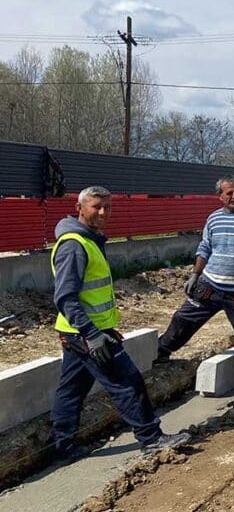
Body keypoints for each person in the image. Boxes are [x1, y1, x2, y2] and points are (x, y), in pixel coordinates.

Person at [50, 186, 191, 463]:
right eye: (96, 207)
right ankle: (151, 439)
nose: (103, 212)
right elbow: (65, 297)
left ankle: (62, 448)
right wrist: (93, 334)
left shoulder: (89, 240)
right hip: (86, 334)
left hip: (79, 332)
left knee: (72, 390)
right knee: (127, 382)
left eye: (107, 207)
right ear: (80, 208)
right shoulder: (74, 245)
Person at [155, 176, 234, 391]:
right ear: (219, 196)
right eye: (229, 193)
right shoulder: (213, 219)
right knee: (183, 318)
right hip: (210, 285)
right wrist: (195, 274)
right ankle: (161, 351)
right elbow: (205, 248)